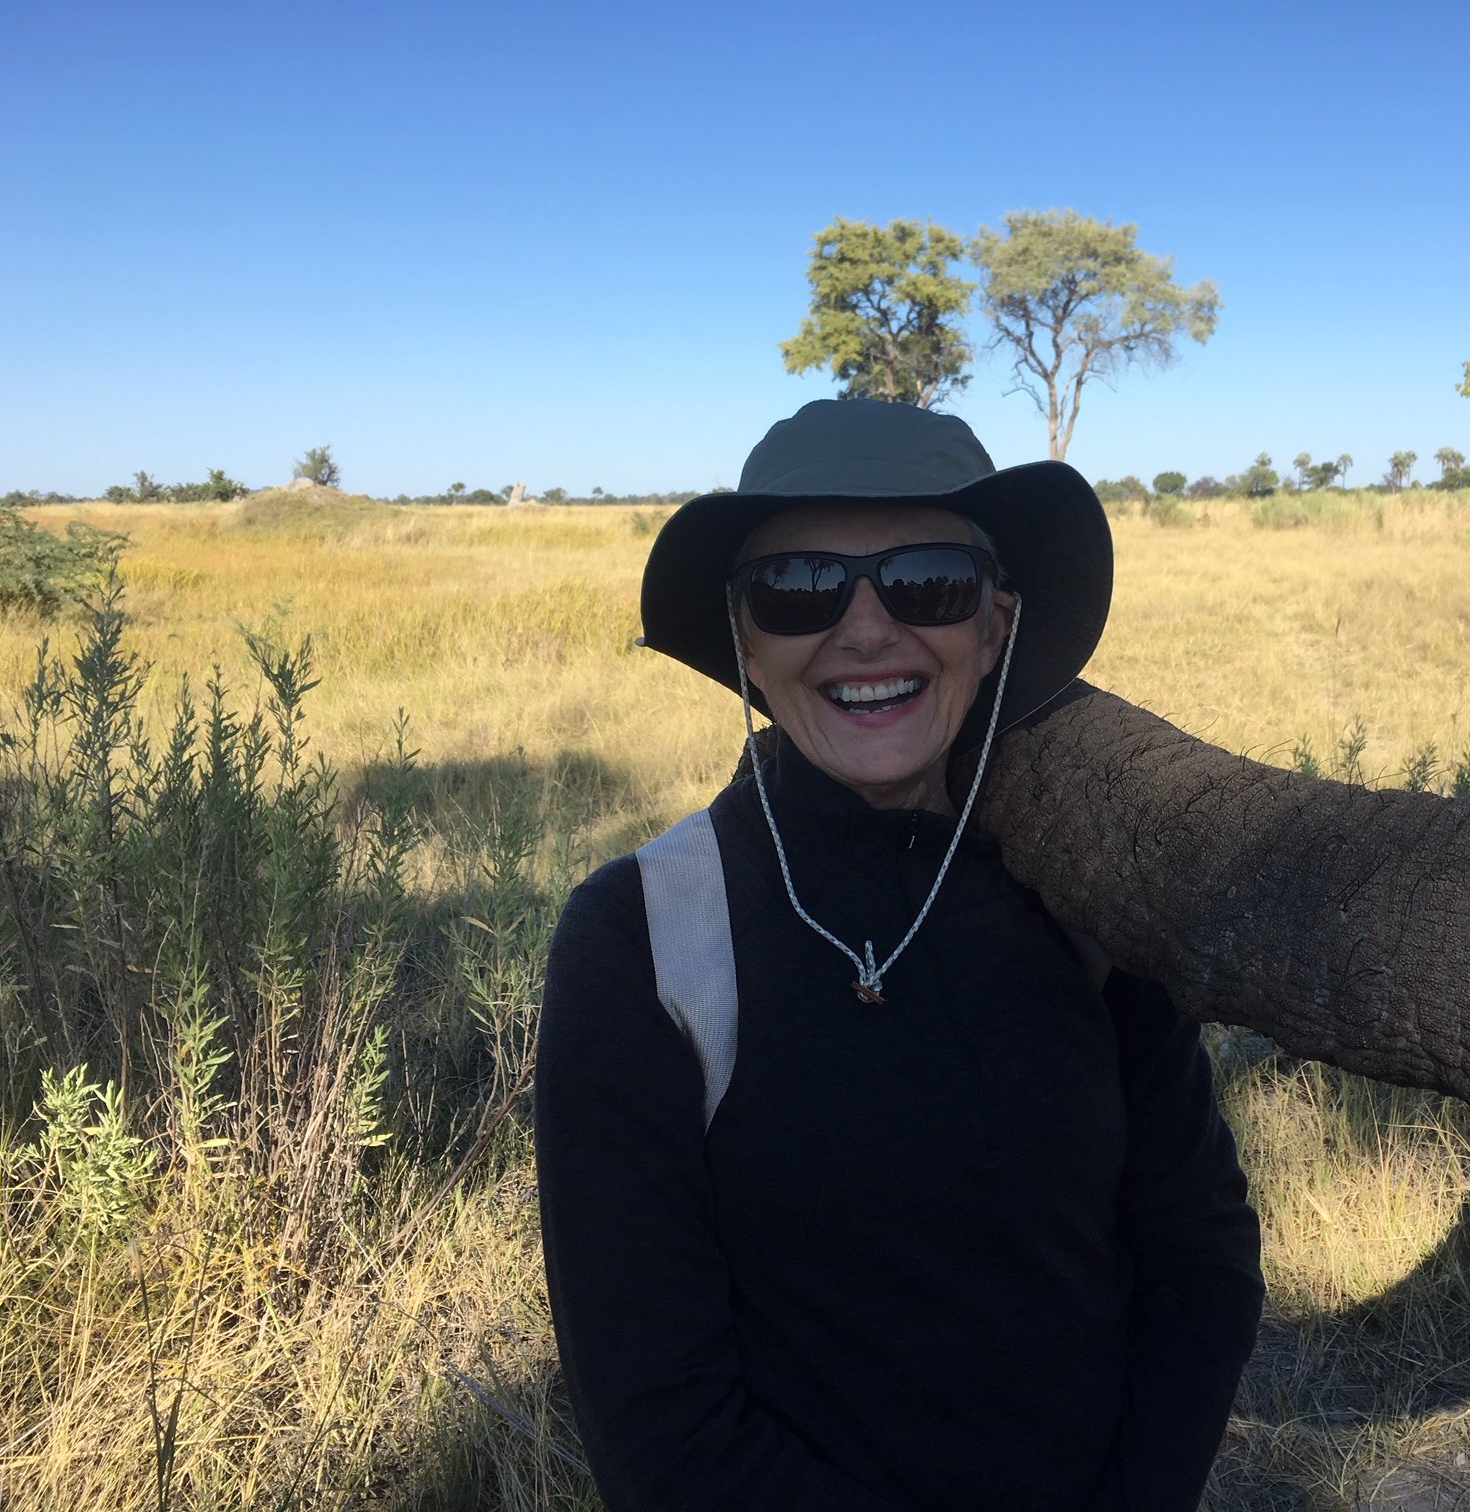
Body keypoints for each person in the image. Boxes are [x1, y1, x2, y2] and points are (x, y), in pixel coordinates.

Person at [535, 399, 1264, 1512]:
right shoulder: (642, 940)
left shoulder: (1090, 899)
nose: (867, 631)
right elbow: (659, 1423)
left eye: (928, 582)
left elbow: (1196, 1249)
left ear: (997, 624)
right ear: (743, 641)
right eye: (799, 589)